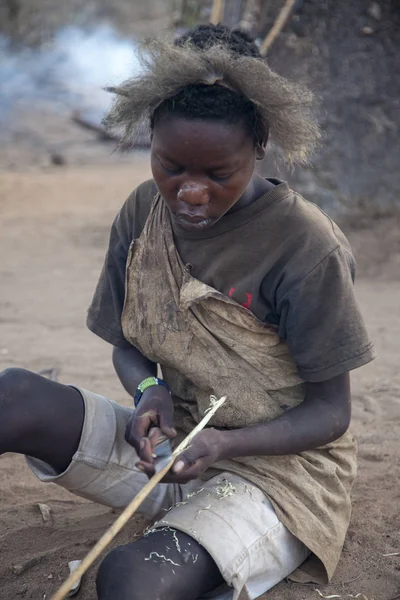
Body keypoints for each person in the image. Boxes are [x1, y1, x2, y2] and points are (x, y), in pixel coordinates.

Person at [0, 24, 376, 600]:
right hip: (166, 449)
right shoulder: (143, 211)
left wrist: (224, 446)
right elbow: (128, 346)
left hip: (278, 476)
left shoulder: (305, 246)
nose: (190, 192)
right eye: (171, 166)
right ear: (150, 137)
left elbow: (331, 414)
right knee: (13, 396)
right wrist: (149, 392)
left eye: (217, 174)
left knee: (129, 579)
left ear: (260, 144)